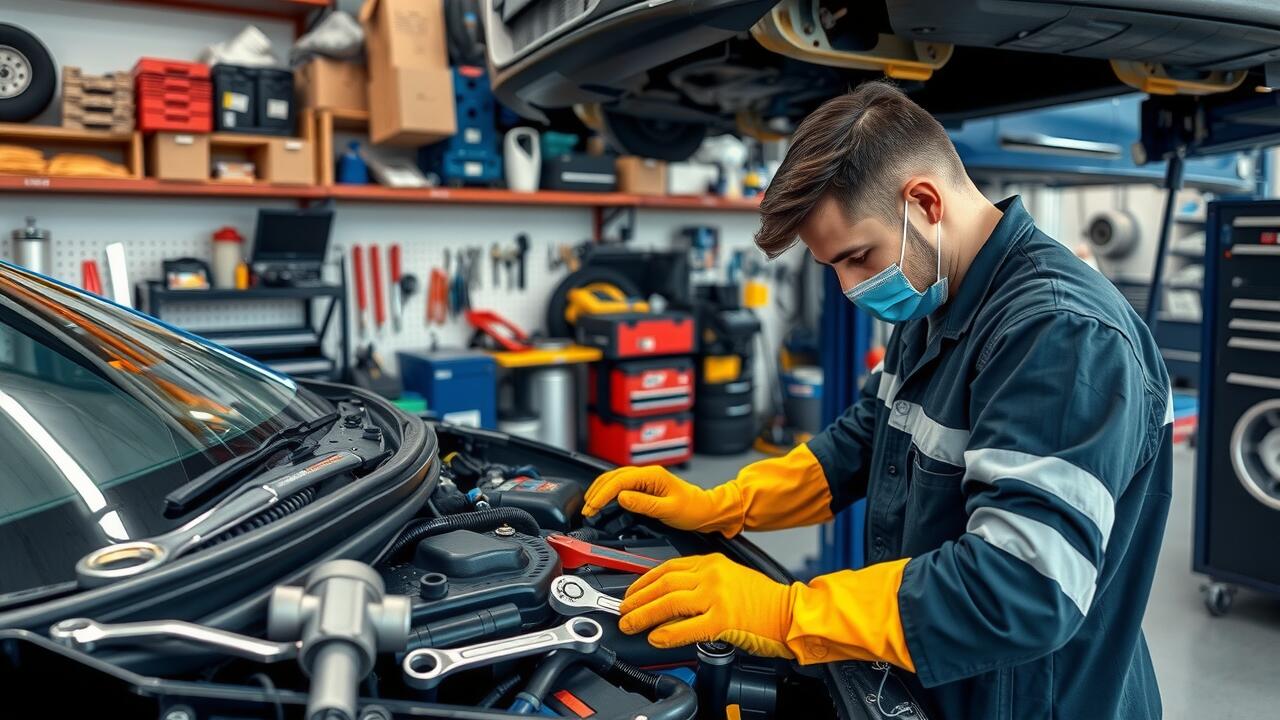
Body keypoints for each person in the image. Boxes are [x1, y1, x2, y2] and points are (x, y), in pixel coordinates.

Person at [582, 81, 1172, 719]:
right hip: (931, 678)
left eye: (859, 256)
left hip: (1033, 701)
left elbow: (1022, 587)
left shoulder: (1062, 334)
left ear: (924, 202)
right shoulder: (940, 297)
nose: (849, 287)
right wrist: (726, 504)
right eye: (834, 266)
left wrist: (788, 612)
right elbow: (866, 440)